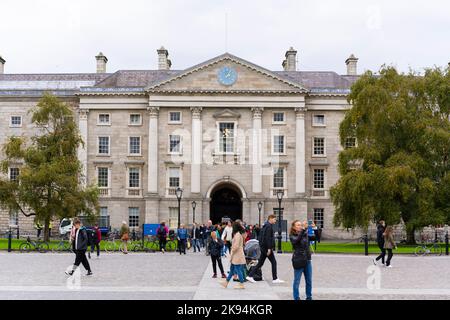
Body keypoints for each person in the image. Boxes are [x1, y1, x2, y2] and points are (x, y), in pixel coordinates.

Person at [247, 214, 284, 284]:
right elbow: (268, 238)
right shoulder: (269, 226)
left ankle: (250, 275)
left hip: (263, 247)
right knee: (273, 262)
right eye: (274, 219)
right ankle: (275, 278)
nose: (275, 221)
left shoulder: (265, 225)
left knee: (260, 263)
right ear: (270, 218)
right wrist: (269, 248)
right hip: (266, 248)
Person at [290, 220, 312, 300]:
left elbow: (315, 237)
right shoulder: (292, 235)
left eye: (300, 225)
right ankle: (296, 297)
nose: (300, 226)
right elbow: (296, 240)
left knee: (309, 280)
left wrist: (315, 228)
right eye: (298, 225)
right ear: (294, 227)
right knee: (297, 281)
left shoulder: (305, 233)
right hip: (298, 259)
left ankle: (309, 297)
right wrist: (303, 230)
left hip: (307, 259)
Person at [220, 221, 246, 289]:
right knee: (232, 270)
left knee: (237, 269)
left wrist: (232, 249)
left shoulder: (237, 234)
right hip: (236, 255)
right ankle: (226, 282)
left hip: (237, 255)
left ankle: (241, 283)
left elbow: (236, 246)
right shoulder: (238, 234)